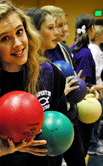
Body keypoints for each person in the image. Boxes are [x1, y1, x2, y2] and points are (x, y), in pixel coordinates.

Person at [0, 1, 68, 165]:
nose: (18, 43)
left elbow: (64, 128)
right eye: (5, 38)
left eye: (20, 32)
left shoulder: (50, 73)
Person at [40, 6, 87, 166]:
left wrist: (79, 87)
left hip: (69, 119)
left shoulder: (65, 49)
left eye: (64, 24)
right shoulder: (37, 58)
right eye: (56, 26)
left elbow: (71, 77)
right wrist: (61, 92)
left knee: (79, 160)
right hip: (49, 124)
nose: (65, 29)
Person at [70, 13, 96, 156]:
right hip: (82, 103)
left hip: (74, 102)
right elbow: (81, 81)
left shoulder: (73, 47)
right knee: (82, 144)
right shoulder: (85, 52)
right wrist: (94, 89)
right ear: (91, 28)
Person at [88, 25, 103, 155]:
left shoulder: (97, 49)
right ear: (97, 35)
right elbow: (96, 72)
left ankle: (95, 141)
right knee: (94, 118)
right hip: (96, 87)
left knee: (97, 118)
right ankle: (93, 145)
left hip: (99, 87)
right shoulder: (94, 50)